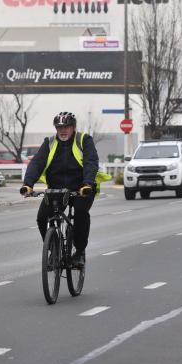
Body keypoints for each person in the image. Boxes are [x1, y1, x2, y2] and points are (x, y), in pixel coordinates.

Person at [20, 111, 108, 268]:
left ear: (73, 127)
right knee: (42, 217)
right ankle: (53, 250)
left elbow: (91, 162)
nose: (63, 130)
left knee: (81, 213)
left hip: (82, 188)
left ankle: (79, 252)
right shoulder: (50, 142)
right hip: (57, 189)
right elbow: (37, 163)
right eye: (59, 127)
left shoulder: (84, 140)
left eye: (66, 127)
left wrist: (87, 183)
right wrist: (28, 184)